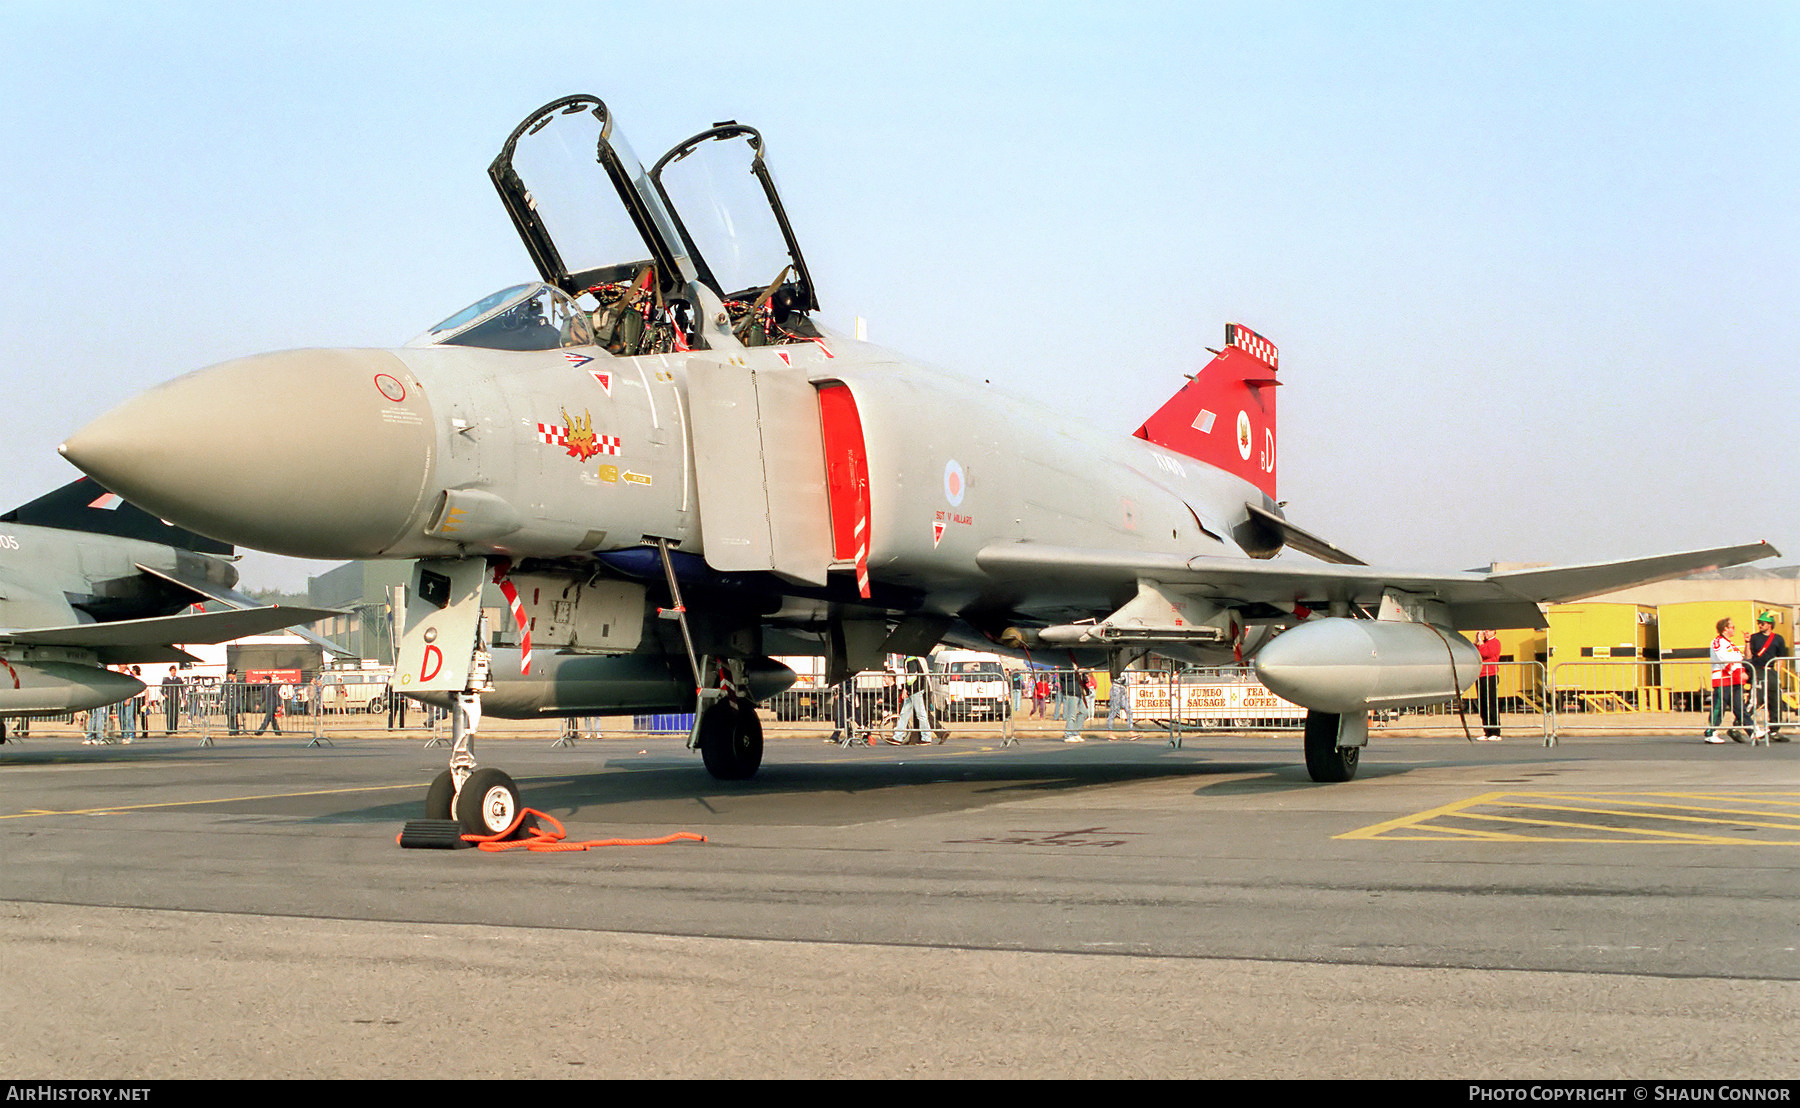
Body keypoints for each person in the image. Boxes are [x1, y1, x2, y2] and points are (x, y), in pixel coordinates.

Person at [1704, 617, 1750, 744]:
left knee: (1738, 706)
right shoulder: (1717, 642)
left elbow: (1742, 659)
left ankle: (1752, 730)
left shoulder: (1731, 644)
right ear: (1726, 628)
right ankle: (1711, 732)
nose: (1734, 629)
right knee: (1719, 706)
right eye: (1733, 627)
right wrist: (1735, 672)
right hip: (1722, 679)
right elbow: (1722, 658)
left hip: (1733, 680)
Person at [1748, 611, 1788, 742]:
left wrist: (1778, 674)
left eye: (1762, 623)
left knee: (1775, 699)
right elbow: (1748, 656)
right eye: (1759, 623)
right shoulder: (1754, 638)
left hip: (1771, 671)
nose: (1760, 625)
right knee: (1756, 699)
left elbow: (1780, 658)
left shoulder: (1778, 639)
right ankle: (1741, 721)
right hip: (1758, 670)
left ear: (1770, 624)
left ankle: (1774, 730)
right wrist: (1747, 642)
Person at [888, 656, 935, 745]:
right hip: (913, 690)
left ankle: (926, 737)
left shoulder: (911, 661)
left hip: (915, 691)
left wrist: (907, 689)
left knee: (920, 714)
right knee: (904, 714)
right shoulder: (913, 659)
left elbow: (912, 678)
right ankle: (898, 737)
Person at [1474, 630, 1502, 740]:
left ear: (1494, 632)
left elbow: (1486, 653)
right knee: (1483, 704)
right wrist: (1477, 641)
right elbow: (1474, 652)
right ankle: (1487, 731)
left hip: (1490, 675)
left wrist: (1480, 642)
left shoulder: (1495, 642)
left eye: (1488, 630)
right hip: (1480, 675)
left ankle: (1495, 731)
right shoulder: (1482, 644)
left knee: (1491, 703)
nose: (1485, 632)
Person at [1062, 667, 1089, 742]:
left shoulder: (1078, 663)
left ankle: (1076, 732)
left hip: (1080, 691)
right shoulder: (1064, 664)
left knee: (1084, 712)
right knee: (1072, 715)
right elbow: (1063, 676)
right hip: (1071, 691)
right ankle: (1068, 735)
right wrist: (1076, 672)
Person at [162, 667, 182, 735]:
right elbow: (162, 689)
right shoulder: (166, 680)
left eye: (174, 671)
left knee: (175, 714)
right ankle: (169, 729)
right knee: (169, 714)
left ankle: (174, 729)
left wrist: (183, 699)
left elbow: (182, 689)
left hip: (176, 699)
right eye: (172, 671)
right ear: (170, 671)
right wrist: (164, 694)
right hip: (168, 699)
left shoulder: (178, 679)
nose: (173, 672)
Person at [223, 668, 242, 735]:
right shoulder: (226, 683)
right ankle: (232, 730)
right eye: (231, 674)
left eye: (233, 674)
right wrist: (218, 700)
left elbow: (241, 691)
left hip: (235, 702)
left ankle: (235, 730)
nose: (232, 676)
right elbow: (222, 691)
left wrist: (236, 683)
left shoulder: (239, 682)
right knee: (229, 716)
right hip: (229, 702)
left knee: (234, 716)